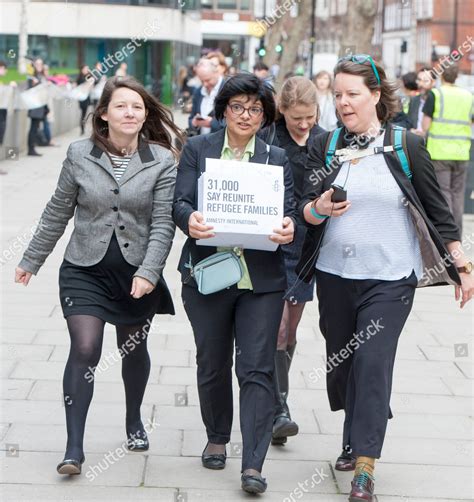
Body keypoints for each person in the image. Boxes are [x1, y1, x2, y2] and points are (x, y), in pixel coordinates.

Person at [297, 55, 474, 501]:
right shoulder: (328, 144)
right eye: (336, 95)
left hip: (391, 279)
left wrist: (461, 264)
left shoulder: (405, 145)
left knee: (373, 363)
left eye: (352, 94)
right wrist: (318, 208)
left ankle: (364, 466)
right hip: (335, 276)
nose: (343, 103)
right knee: (343, 365)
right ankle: (353, 432)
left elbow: (439, 211)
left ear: (376, 95)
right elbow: (302, 207)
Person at [15, 76, 182, 476]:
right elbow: (58, 210)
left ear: (145, 116)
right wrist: (31, 259)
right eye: (121, 106)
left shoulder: (160, 159)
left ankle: (133, 420)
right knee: (85, 348)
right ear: (104, 114)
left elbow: (163, 224)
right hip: (83, 269)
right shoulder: (79, 154)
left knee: (132, 349)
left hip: (135, 275)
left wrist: (149, 272)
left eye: (137, 107)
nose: (130, 112)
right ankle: (74, 448)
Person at [173, 72, 296, 494]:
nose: (247, 115)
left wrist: (289, 226)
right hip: (208, 276)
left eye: (256, 109)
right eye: (238, 107)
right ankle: (217, 435)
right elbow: (180, 201)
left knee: (257, 367)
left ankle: (254, 463)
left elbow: (291, 210)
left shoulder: (275, 158)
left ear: (265, 116)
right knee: (212, 362)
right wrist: (188, 219)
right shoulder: (197, 148)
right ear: (223, 110)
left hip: (261, 281)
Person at [269, 76, 325, 446]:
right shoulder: (269, 138)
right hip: (273, 244)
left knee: (291, 330)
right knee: (280, 329)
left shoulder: (325, 139)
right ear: (282, 111)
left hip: (308, 248)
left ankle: (273, 395)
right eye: (296, 119)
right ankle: (278, 409)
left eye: (309, 117)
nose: (304, 125)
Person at [422, 63, 473, 235]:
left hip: (440, 152)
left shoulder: (436, 94)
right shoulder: (468, 95)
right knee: (458, 194)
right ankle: (457, 232)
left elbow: (425, 125)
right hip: (462, 152)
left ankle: (448, 234)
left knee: (444, 193)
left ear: (442, 76)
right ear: (456, 76)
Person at [188, 59, 225, 135]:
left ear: (216, 73)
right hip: (201, 142)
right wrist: (194, 123)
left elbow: (233, 122)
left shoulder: (228, 89)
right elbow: (191, 117)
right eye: (202, 81)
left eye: (208, 80)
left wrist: (212, 123)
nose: (205, 84)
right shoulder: (198, 92)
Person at [26, 58, 48, 156]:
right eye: (37, 64)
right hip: (35, 106)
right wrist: (34, 85)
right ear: (34, 65)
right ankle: (31, 149)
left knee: (35, 127)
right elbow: (29, 90)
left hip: (40, 106)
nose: (39, 66)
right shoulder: (32, 76)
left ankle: (32, 148)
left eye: (41, 64)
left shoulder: (41, 76)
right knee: (33, 127)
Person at [408, 66, 435, 135]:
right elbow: (409, 123)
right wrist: (410, 130)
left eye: (425, 81)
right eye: (419, 80)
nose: (421, 84)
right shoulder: (414, 100)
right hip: (415, 142)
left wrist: (425, 134)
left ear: (433, 82)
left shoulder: (437, 101)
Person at [76, 65, 92, 135]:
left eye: (88, 69)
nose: (87, 70)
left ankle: (83, 128)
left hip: (87, 97)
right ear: (82, 69)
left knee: (85, 113)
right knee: (83, 114)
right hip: (82, 98)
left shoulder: (88, 76)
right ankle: (82, 128)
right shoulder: (80, 78)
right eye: (86, 69)